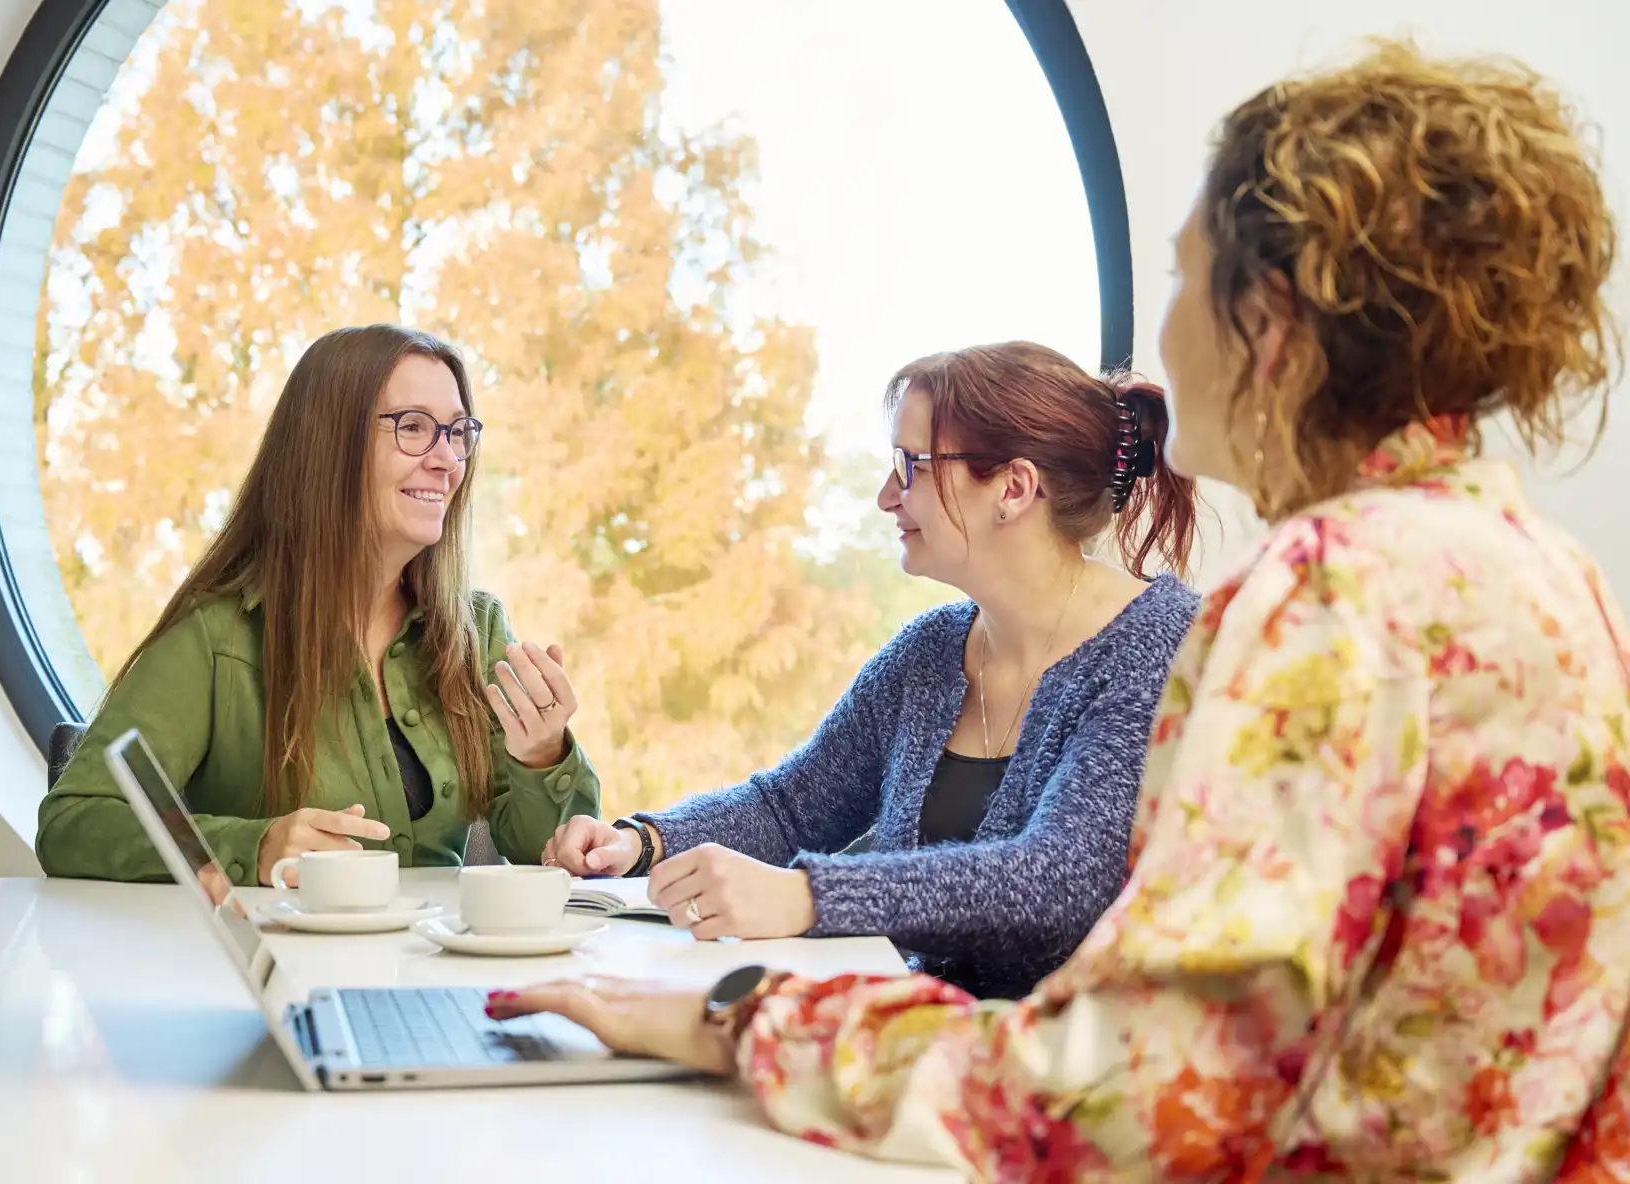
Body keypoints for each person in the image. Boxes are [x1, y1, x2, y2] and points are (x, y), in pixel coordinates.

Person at [490, 41, 1630, 1178]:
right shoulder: (1547, 571)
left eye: (1182, 277)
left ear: (1268, 322)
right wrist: (650, 843)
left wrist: (740, 1018)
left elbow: (1140, 1087)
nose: (1161, 339)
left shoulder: (1326, 591)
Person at [546, 341, 1202, 999]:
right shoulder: (929, 653)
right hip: (919, 1038)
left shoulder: (1162, 647)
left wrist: (808, 897)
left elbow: (1056, 879)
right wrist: (641, 842)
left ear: (1013, 488)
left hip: (1068, 1066)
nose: (888, 495)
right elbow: (790, 809)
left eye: (910, 466)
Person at [38, 325, 599, 886]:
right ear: (327, 444)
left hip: (440, 970)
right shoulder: (218, 636)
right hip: (280, 968)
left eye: (457, 432)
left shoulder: (476, 628)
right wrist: (253, 849)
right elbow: (75, 823)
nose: (447, 460)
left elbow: (541, 852)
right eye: (413, 428)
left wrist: (543, 755)